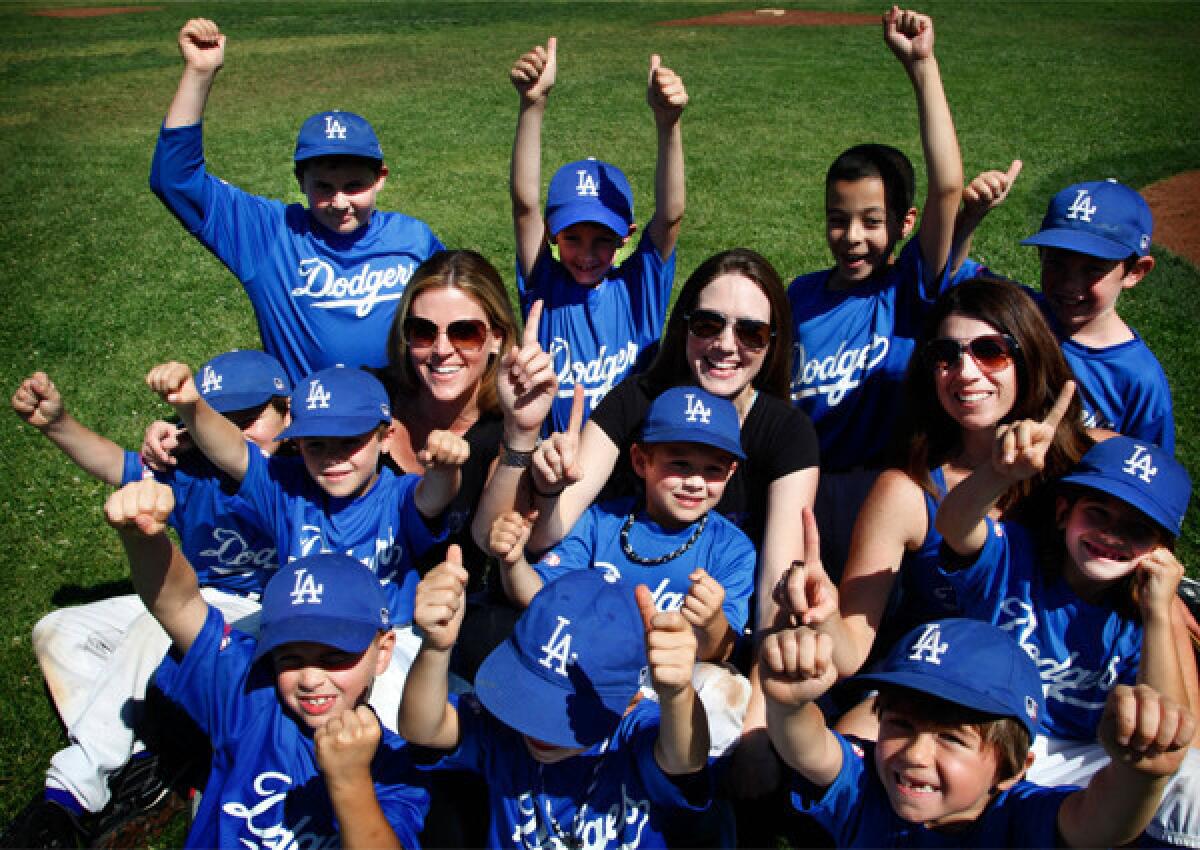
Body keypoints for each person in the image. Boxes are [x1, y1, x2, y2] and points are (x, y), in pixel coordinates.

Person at [6, 352, 289, 845]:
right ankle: (145, 760)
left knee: (148, 630)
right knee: (59, 631)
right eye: (218, 419)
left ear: (288, 411)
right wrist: (57, 423)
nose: (233, 432)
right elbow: (116, 464)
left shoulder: (302, 467)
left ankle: (71, 792)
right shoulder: (191, 464)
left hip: (266, 613)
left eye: (249, 419)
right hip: (201, 595)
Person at [103, 478, 429, 848]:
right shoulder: (252, 696)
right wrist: (144, 538)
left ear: (383, 651)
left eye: (334, 657)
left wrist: (350, 781)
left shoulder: (393, 763)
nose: (309, 678)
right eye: (289, 658)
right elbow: (178, 605)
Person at [145, 360, 466, 726]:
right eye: (316, 445)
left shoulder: (397, 495)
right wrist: (190, 405)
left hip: (383, 639)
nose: (333, 458)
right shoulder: (284, 487)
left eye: (350, 441)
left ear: (386, 437)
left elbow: (433, 497)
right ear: (297, 444)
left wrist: (446, 468)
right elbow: (233, 449)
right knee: (207, 675)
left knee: (402, 722)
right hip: (299, 637)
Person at [817, 279, 1091, 692]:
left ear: (1029, 355)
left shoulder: (1088, 462)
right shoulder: (908, 491)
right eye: (945, 355)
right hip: (944, 696)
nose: (965, 372)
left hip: (1069, 691)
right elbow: (852, 648)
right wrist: (823, 617)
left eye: (990, 352)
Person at [937, 426, 1200, 845]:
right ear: (1063, 512)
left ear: (1159, 549)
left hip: (1080, 754)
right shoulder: (1015, 554)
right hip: (982, 728)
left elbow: (1169, 730)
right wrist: (998, 474)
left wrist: (1158, 612)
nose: (1112, 535)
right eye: (1098, 512)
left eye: (1137, 529)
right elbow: (954, 527)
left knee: (1192, 781)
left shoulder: (1143, 610)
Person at [149, 18, 444, 382]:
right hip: (314, 429)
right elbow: (174, 179)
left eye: (354, 186)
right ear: (300, 182)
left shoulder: (413, 239)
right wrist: (199, 73)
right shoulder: (270, 235)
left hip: (403, 422)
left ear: (380, 178)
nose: (339, 203)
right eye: (323, 187)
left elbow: (461, 316)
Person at [762, 609, 1196, 848]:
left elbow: (1101, 823)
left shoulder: (1019, 818)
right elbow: (809, 749)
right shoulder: (868, 785)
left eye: (952, 738)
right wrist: (790, 704)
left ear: (1013, 770)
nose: (915, 754)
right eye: (900, 724)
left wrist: (1141, 774)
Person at [786, 6, 964, 580]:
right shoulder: (801, 295)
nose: (853, 236)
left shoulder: (909, 288)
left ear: (905, 222)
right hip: (805, 488)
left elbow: (948, 188)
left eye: (872, 219)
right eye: (838, 219)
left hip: (883, 490)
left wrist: (923, 67)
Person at [401, 561, 718, 848]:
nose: (540, 725)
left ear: (630, 702)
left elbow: (686, 759)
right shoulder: (505, 729)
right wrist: (436, 648)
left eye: (566, 716)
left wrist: (678, 694)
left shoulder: (634, 734)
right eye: (531, 696)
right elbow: (424, 728)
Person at [490, 386, 756, 666]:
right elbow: (538, 596)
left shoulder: (732, 548)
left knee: (719, 686)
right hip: (587, 669)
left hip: (669, 684)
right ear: (641, 461)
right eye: (680, 464)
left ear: (731, 473)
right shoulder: (601, 522)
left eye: (713, 469)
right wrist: (513, 562)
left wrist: (712, 623)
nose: (695, 482)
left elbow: (722, 651)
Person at [510, 37, 687, 431]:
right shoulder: (544, 285)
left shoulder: (641, 287)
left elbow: (671, 215)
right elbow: (525, 207)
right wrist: (532, 106)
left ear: (627, 235)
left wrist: (668, 124)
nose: (587, 253)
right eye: (572, 238)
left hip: (629, 469)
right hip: (556, 466)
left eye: (603, 239)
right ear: (553, 235)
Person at [1021, 179, 1174, 451]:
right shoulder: (1022, 311)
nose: (1069, 284)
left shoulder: (1139, 378)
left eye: (1093, 269)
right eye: (1056, 262)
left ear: (1136, 271)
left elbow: (1149, 475)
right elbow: (945, 275)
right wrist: (972, 217)